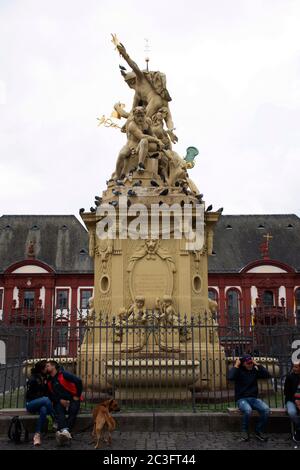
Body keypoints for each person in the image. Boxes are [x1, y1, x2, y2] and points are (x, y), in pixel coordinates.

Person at [228, 354, 271, 442]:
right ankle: (244, 432)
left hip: (253, 399)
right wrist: (236, 365)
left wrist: (257, 364)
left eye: (251, 362)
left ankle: (258, 431)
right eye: (248, 363)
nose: (250, 364)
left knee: (266, 410)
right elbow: (230, 377)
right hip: (242, 399)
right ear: (243, 364)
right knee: (248, 410)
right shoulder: (238, 372)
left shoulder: (254, 371)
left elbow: (267, 375)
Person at [46, 361, 82, 446]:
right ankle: (65, 432)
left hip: (73, 398)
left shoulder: (64, 374)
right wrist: (60, 400)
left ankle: (64, 431)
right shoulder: (49, 381)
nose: (46, 368)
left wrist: (77, 395)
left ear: (53, 366)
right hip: (60, 400)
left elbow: (78, 381)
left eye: (48, 366)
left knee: (73, 410)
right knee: (59, 411)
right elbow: (51, 396)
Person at [25, 360, 55, 446]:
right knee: (45, 399)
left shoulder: (45, 377)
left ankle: (37, 435)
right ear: (41, 369)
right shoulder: (33, 378)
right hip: (30, 404)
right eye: (46, 367)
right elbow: (29, 395)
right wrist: (41, 398)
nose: (47, 368)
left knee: (44, 410)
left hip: (41, 404)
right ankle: (55, 418)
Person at [284, 361, 300, 442]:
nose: (294, 368)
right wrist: (296, 401)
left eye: (296, 367)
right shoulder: (289, 377)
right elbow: (286, 393)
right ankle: (298, 429)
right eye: (294, 367)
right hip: (290, 400)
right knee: (292, 412)